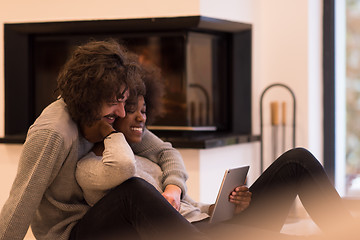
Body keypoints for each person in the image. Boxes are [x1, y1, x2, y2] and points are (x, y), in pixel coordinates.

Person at [75, 64, 358, 240]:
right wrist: (109, 132)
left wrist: (225, 208)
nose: (140, 118)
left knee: (298, 159)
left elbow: (189, 206)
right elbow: (123, 170)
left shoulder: (147, 156)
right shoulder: (90, 167)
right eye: (131, 110)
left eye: (144, 111)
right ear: (111, 113)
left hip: (210, 226)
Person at [0, 39, 201, 240]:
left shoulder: (110, 116)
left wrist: (174, 188)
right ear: (90, 97)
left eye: (124, 102)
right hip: (69, 233)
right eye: (115, 102)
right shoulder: (53, 133)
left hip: (109, 220)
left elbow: (165, 152)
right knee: (133, 192)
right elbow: (20, 203)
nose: (122, 112)